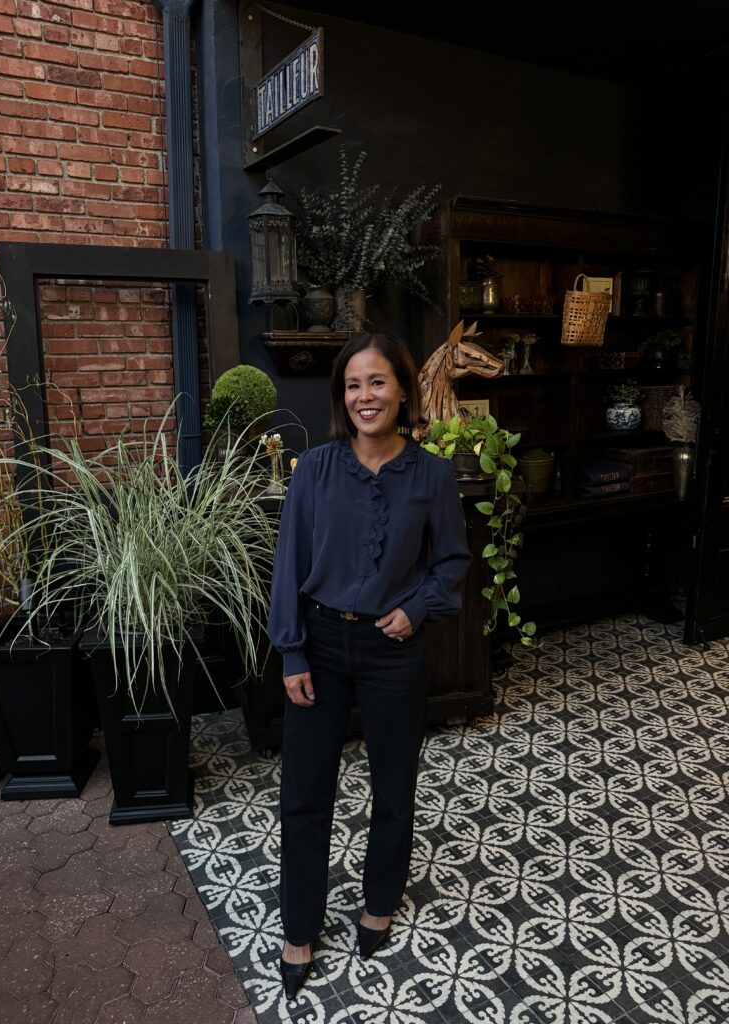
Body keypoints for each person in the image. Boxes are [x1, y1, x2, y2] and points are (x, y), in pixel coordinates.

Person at [267, 332, 473, 1000]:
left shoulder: (433, 476)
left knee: (394, 787)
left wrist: (418, 608)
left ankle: (378, 902)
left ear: (403, 390)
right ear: (341, 396)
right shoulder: (315, 471)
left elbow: (452, 564)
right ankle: (299, 924)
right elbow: (289, 568)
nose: (365, 396)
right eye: (353, 385)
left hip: (393, 653)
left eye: (377, 382)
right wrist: (293, 649)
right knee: (303, 795)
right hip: (321, 648)